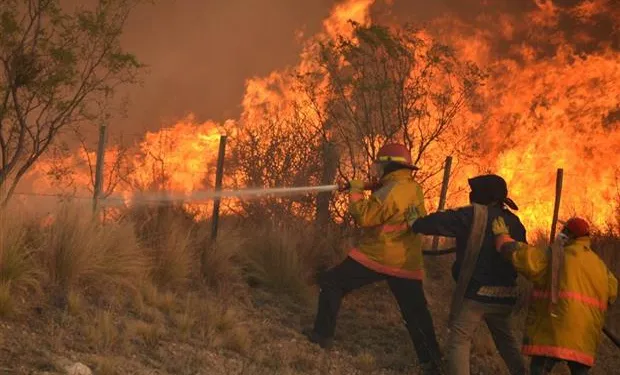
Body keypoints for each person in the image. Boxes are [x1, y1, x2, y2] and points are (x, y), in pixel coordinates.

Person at [303, 143, 443, 375]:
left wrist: (356, 192)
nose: (377, 169)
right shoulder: (411, 187)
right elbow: (397, 208)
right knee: (416, 312)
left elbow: (366, 217)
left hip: (379, 254)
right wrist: (373, 187)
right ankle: (432, 362)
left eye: (380, 164)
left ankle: (321, 336)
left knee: (332, 282)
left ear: (389, 165)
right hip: (407, 259)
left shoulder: (390, 190)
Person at [410, 174, 527, 375]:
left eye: (474, 191)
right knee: (505, 340)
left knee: (459, 338)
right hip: (506, 293)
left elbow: (441, 221)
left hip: (478, 293)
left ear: (483, 195)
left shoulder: (473, 215)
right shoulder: (514, 221)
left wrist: (416, 222)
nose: (471, 195)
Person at [492, 216, 618, 375]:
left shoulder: (556, 256)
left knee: (539, 369)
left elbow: (528, 260)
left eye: (564, 230)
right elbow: (612, 293)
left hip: (554, 330)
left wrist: (504, 241)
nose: (560, 233)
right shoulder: (600, 266)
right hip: (585, 338)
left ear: (570, 236)